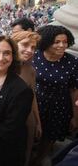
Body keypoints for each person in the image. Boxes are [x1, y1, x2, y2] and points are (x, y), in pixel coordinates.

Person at [0, 35, 33, 166]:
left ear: (13, 57)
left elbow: (10, 130)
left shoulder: (21, 90)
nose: (1, 58)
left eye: (7, 53)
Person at [32, 25, 78, 166]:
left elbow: (74, 90)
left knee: (48, 139)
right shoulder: (35, 55)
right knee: (33, 134)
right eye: (57, 42)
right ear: (46, 42)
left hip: (58, 107)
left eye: (65, 42)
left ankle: (39, 159)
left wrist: (76, 117)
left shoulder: (72, 62)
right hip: (35, 103)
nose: (62, 45)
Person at [11, 31, 42, 166]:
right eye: (25, 45)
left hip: (27, 120)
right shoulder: (1, 67)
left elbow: (32, 96)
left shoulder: (30, 70)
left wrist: (37, 122)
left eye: (33, 47)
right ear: (13, 45)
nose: (30, 50)